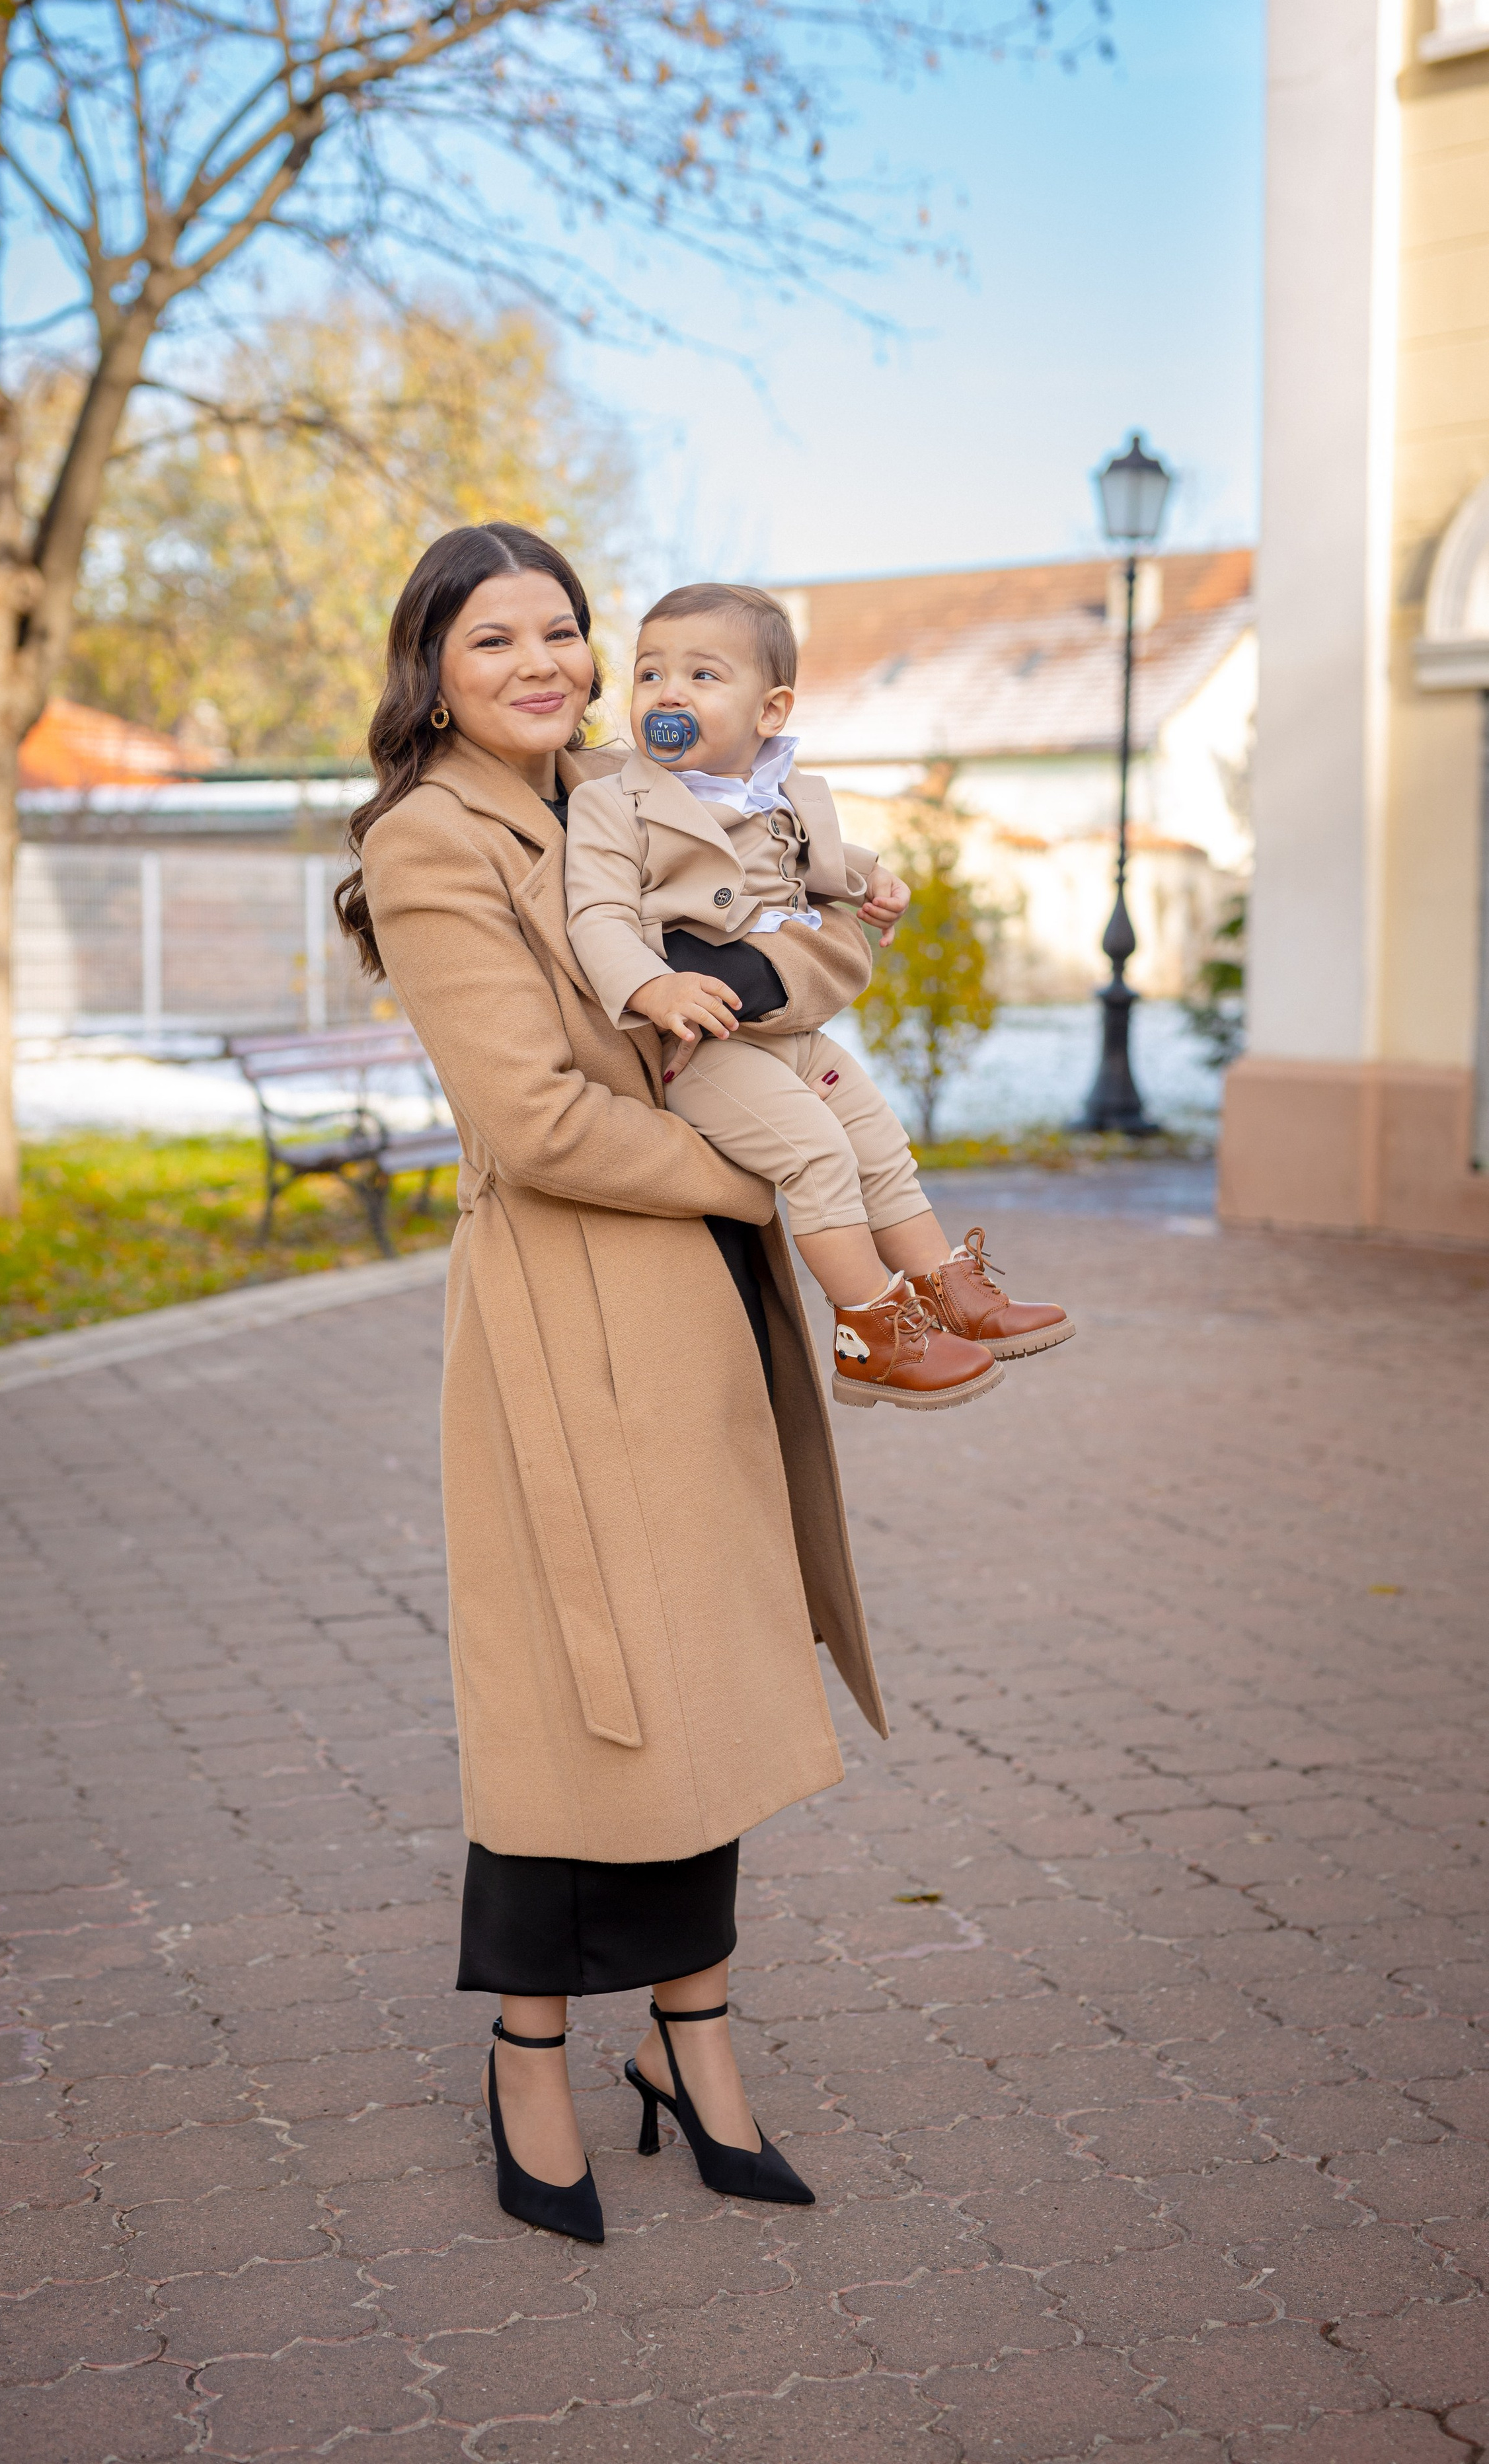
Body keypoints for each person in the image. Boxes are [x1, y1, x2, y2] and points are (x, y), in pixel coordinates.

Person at [335, 521, 890, 2247]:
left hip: (696, 1305)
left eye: (562, 632)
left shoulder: (636, 792)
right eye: (493, 640)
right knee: (584, 1709)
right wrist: (782, 1184)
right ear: (432, 664)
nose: (541, 666)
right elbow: (542, 1124)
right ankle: (529, 2059)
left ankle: (694, 2048)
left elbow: (802, 959)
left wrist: (764, 976)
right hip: (575, 1310)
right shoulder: (433, 845)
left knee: (706, 1691)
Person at [564, 582, 1073, 1408]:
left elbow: (821, 859)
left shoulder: (785, 791)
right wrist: (653, 987)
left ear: (770, 711)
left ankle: (949, 1294)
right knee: (818, 1156)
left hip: (792, 1035)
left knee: (878, 1142)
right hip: (708, 1047)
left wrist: (877, 880)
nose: (667, 694)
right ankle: (870, 1331)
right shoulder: (612, 804)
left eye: (701, 676)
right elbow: (596, 915)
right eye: (650, 674)